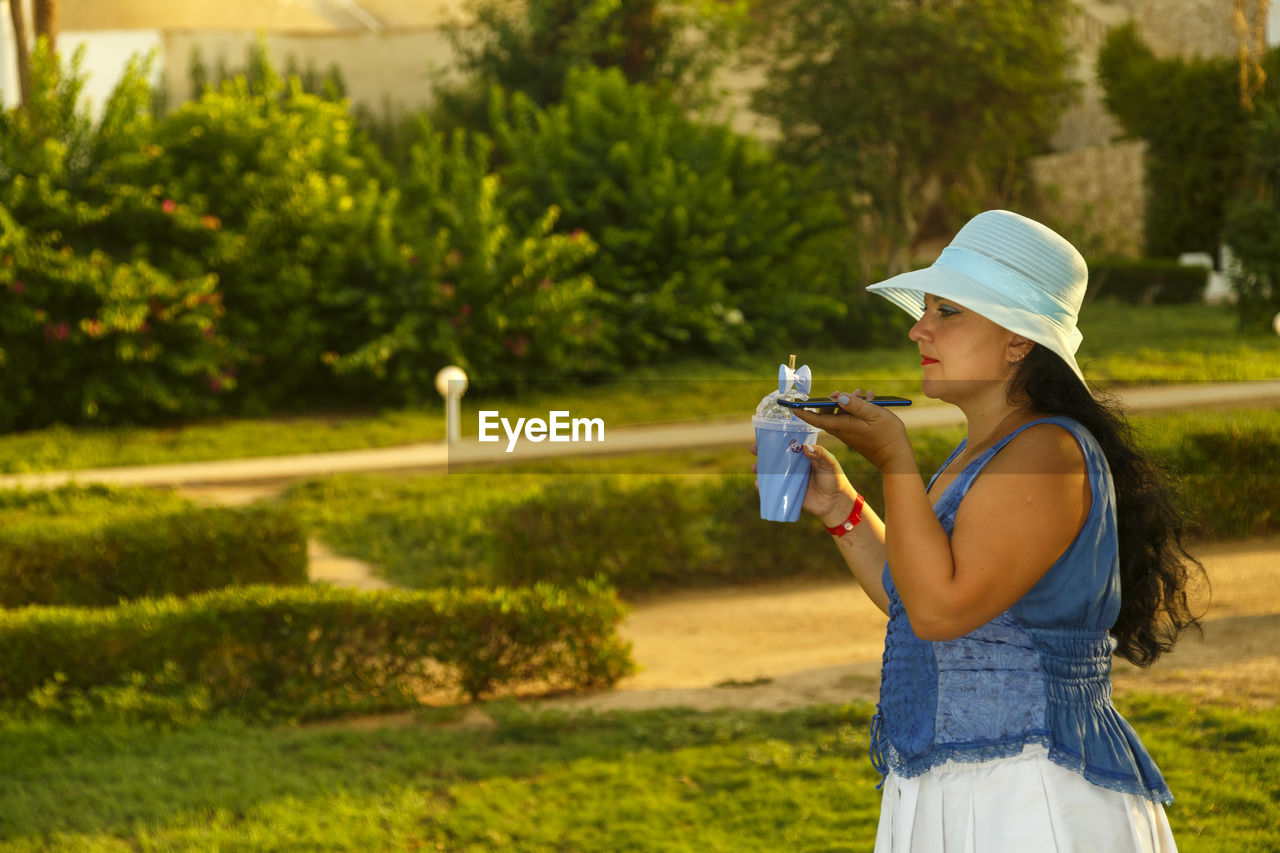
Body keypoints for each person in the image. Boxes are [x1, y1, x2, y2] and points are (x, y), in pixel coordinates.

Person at [774, 210, 1205, 852]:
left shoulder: (1046, 451)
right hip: (961, 783)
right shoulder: (983, 453)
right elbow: (917, 595)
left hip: (1030, 796)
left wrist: (895, 459)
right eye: (924, 309)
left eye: (947, 311)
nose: (919, 328)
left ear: (1018, 342)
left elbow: (942, 611)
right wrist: (842, 507)